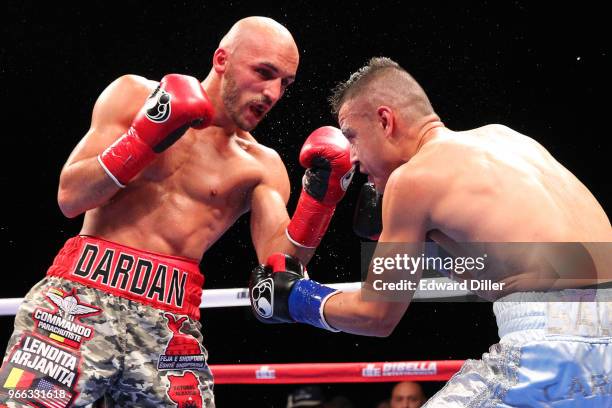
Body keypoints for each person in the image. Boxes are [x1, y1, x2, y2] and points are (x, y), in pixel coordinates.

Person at [0, 17, 353, 407]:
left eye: (284, 84)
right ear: (222, 59)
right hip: (76, 301)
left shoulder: (262, 166)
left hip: (169, 325)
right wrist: (145, 137)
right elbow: (70, 197)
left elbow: (281, 270)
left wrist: (320, 202)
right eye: (264, 73)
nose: (272, 93)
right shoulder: (134, 95)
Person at [249, 57, 612, 406]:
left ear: (385, 121)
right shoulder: (507, 139)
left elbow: (377, 316)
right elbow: (513, 274)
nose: (353, 158)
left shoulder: (413, 180)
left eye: (353, 136)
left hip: (552, 350)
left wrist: (297, 298)